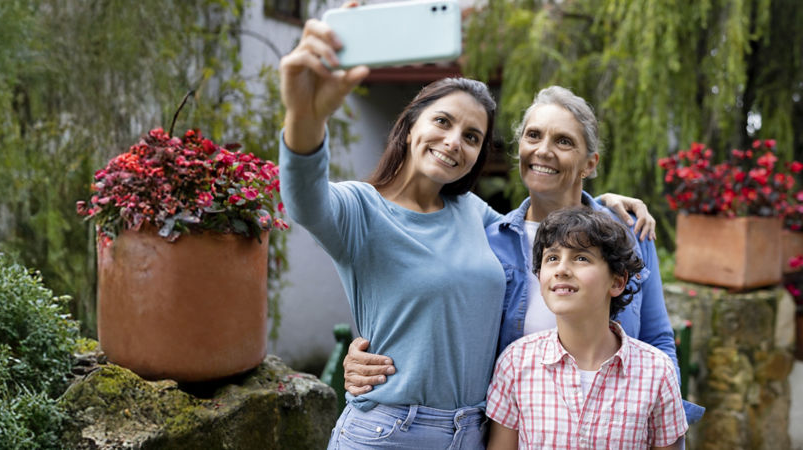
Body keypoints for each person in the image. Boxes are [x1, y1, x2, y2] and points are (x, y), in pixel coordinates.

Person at [278, 5, 656, 447]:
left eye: (472, 136)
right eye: (442, 121)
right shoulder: (361, 210)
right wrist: (305, 117)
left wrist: (603, 208)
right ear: (409, 124)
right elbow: (304, 199)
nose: (454, 141)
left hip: (473, 433)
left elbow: (546, 226)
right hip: (391, 431)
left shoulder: (475, 215)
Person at [342, 86, 705, 428]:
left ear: (590, 163)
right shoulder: (486, 243)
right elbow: (440, 321)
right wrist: (368, 359)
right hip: (518, 431)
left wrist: (660, 426)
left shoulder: (628, 234)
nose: (543, 150)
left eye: (563, 141)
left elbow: (657, 339)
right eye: (533, 136)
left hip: (615, 428)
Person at [485, 207, 687, 449]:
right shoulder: (515, 363)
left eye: (581, 258)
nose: (561, 269)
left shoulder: (656, 372)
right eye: (552, 258)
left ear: (617, 281)